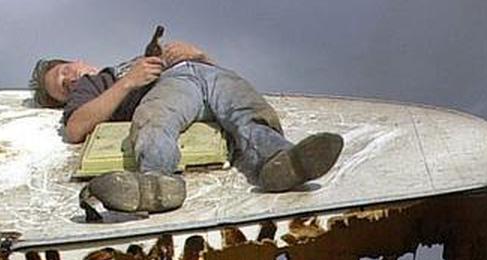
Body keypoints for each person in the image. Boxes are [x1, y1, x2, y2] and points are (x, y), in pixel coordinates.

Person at [33, 39, 344, 214]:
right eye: (62, 88)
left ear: (74, 59)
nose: (69, 80)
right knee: (156, 119)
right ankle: (157, 180)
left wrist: (197, 55)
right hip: (174, 86)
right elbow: (75, 128)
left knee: (246, 108)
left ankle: (280, 161)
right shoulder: (94, 85)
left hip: (204, 72)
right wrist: (129, 81)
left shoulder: (123, 61)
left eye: (64, 71)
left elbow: (208, 70)